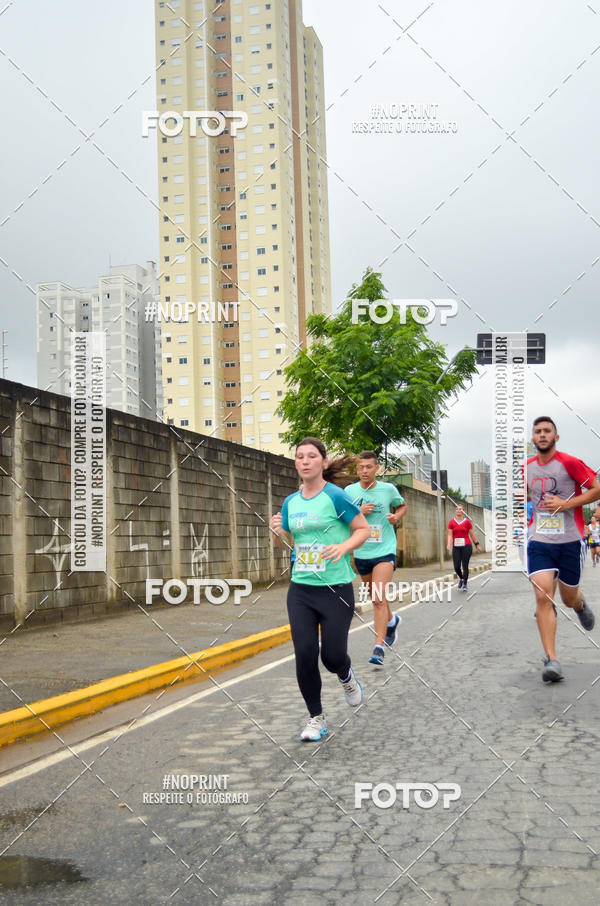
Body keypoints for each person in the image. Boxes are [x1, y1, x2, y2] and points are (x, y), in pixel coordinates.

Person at [269, 438, 370, 741]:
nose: (305, 461)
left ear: (323, 462)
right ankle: (316, 718)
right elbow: (285, 543)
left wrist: (343, 547)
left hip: (335, 588)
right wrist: (276, 532)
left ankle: (346, 676)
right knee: (304, 653)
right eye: (299, 456)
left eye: (311, 456)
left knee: (333, 656)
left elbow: (362, 529)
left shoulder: (336, 496)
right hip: (301, 589)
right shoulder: (291, 502)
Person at [526, 416, 600, 683]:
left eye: (547, 431)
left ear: (556, 437)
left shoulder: (570, 463)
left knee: (567, 599)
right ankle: (552, 659)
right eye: (538, 431)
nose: (542, 434)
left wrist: (566, 504)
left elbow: (596, 489)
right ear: (533, 438)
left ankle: (579, 604)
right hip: (540, 541)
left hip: (570, 540)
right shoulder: (527, 468)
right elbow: (525, 494)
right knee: (543, 596)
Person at [345, 451, 407, 667]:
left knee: (379, 598)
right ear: (357, 469)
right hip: (362, 552)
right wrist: (358, 511)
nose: (364, 471)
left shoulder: (388, 489)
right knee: (376, 599)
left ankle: (378, 647)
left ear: (377, 468)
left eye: (369, 467)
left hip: (385, 550)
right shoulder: (349, 491)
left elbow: (402, 505)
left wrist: (396, 516)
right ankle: (392, 621)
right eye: (361, 467)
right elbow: (342, 518)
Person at [447, 504, 481, 591]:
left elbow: (472, 535)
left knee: (465, 565)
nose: (458, 510)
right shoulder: (451, 522)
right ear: (455, 511)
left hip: (466, 546)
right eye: (457, 509)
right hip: (456, 547)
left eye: (460, 509)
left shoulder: (467, 522)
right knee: (456, 566)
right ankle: (461, 578)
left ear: (463, 511)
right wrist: (448, 544)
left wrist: (477, 544)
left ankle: (465, 584)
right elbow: (450, 535)